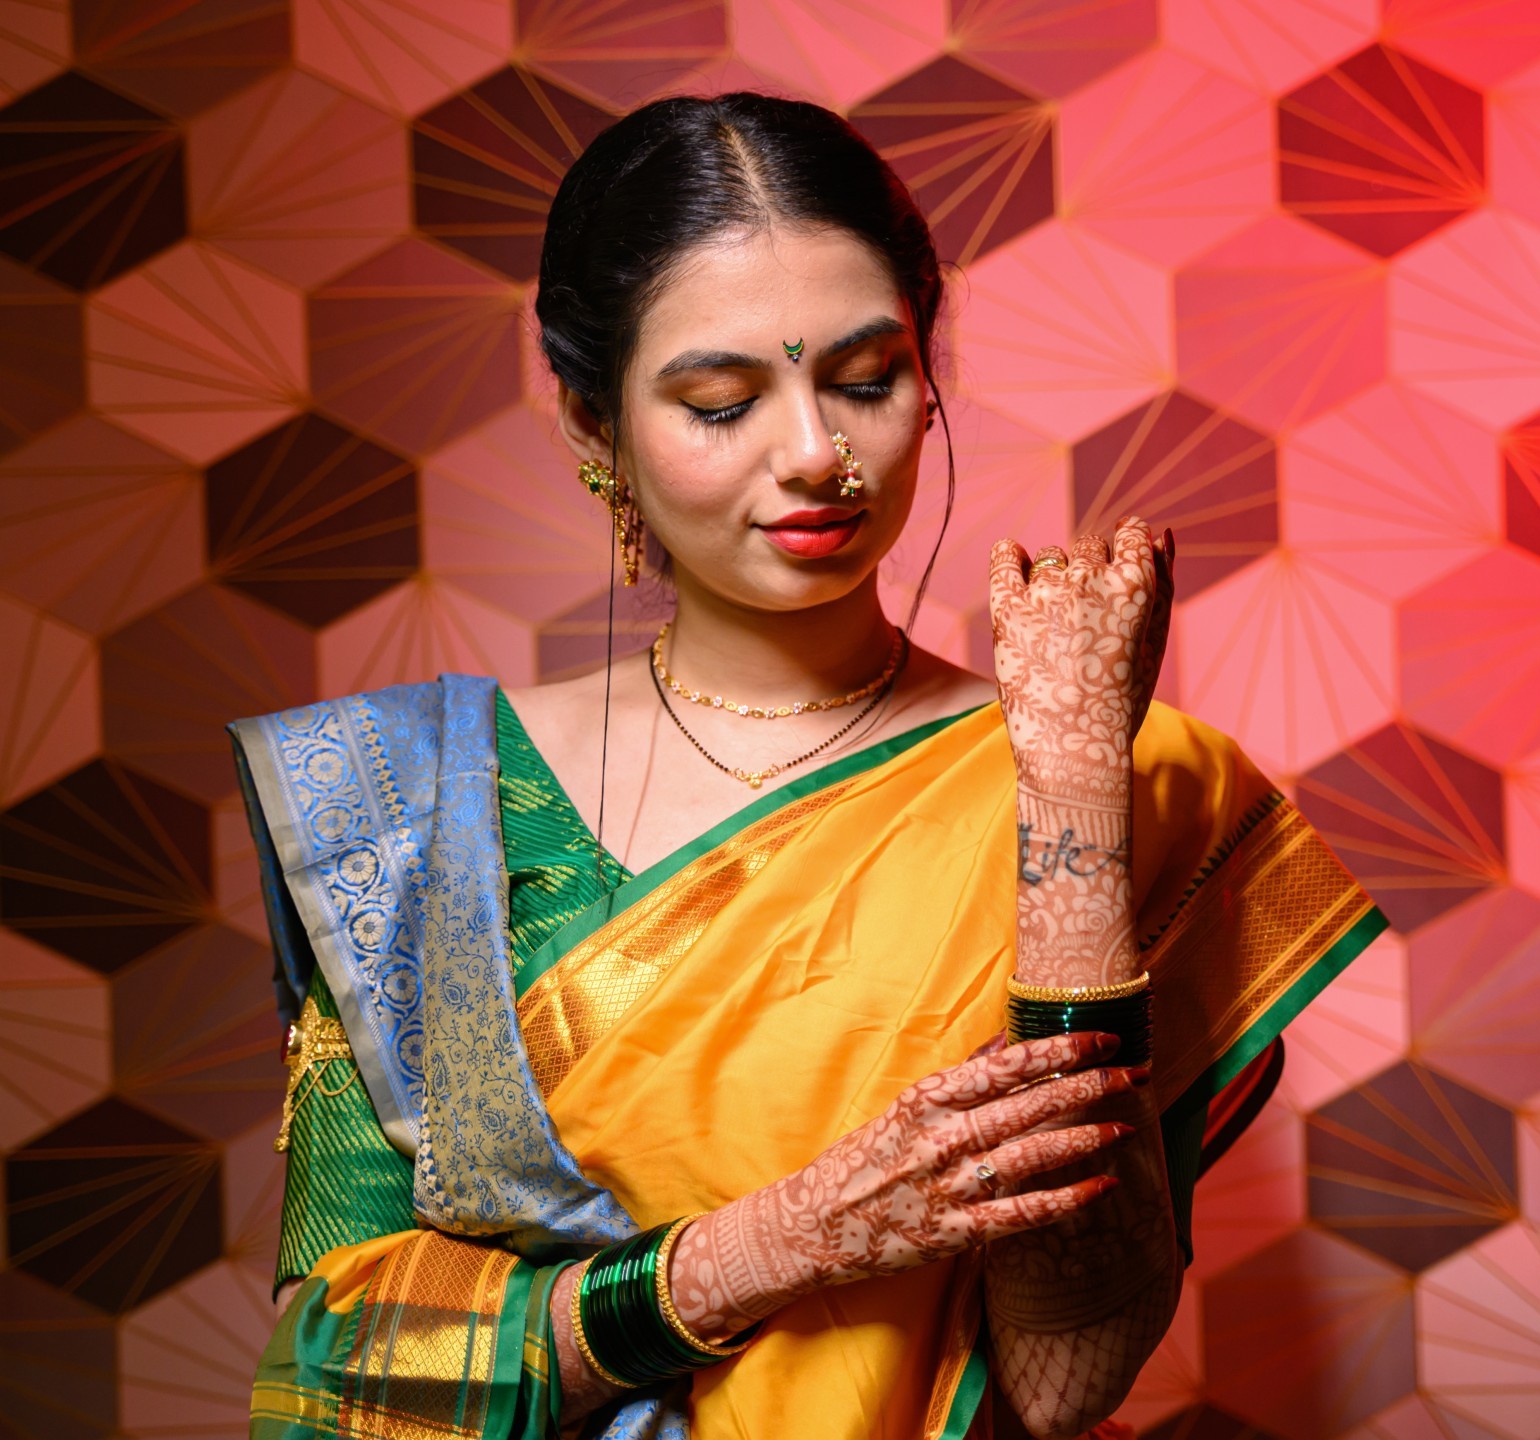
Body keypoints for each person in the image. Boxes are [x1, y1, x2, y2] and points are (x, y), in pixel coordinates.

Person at [235, 93, 1383, 1440]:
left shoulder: (1115, 773)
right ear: (594, 428)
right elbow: (345, 1372)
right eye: (722, 403)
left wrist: (1071, 787)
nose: (815, 457)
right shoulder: (419, 806)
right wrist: (779, 1245)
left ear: (927, 380)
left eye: (866, 379)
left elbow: (1063, 1379)